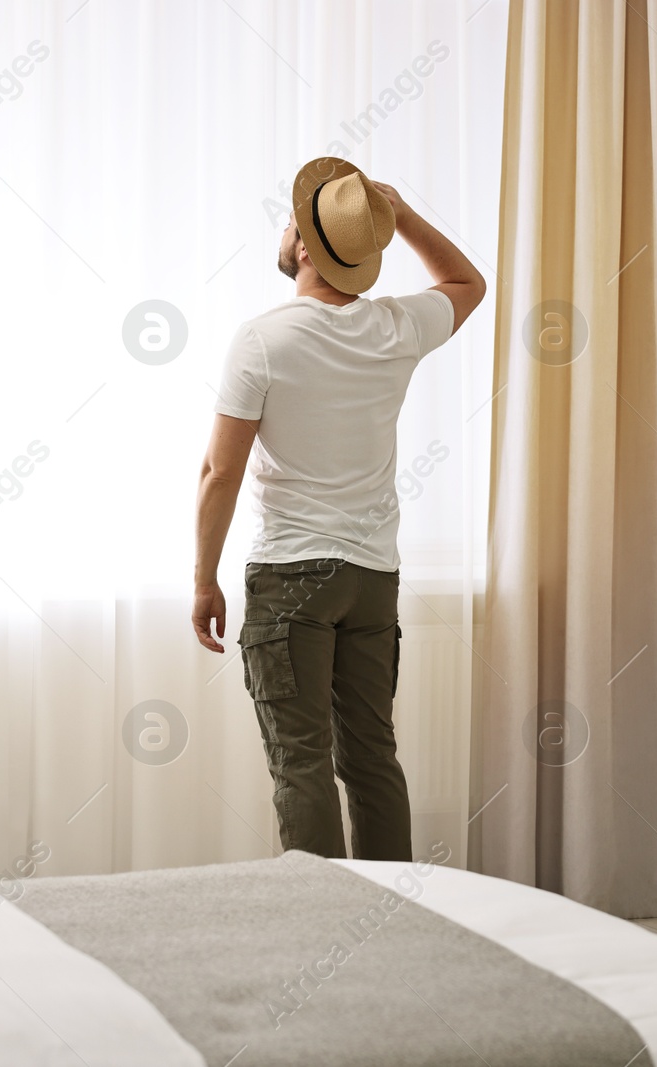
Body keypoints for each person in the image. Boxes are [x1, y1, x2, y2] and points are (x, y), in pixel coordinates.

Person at [190, 157, 485, 860]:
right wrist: (403, 216)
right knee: (372, 760)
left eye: (292, 220)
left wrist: (204, 578)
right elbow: (467, 283)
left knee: (301, 761)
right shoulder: (395, 327)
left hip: (292, 577)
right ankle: (391, 926)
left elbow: (219, 471)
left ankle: (316, 930)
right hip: (371, 578)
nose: (286, 226)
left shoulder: (262, 338)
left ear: (302, 248)